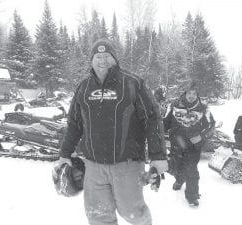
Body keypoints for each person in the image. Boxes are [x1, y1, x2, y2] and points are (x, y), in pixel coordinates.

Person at [54, 39, 168, 225]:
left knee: (133, 213)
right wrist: (65, 153)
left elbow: (152, 118)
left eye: (107, 56)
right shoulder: (83, 88)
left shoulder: (133, 83)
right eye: (98, 56)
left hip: (127, 165)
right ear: (92, 60)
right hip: (93, 166)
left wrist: (158, 156)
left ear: (115, 59)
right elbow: (74, 123)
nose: (102, 60)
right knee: (98, 215)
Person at [163, 80, 215, 207]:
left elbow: (211, 126)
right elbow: (165, 122)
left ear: (197, 94)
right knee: (176, 166)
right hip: (176, 143)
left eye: (194, 93)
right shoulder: (174, 105)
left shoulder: (204, 108)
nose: (191, 95)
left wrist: (201, 136)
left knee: (191, 169)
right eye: (189, 93)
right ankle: (180, 179)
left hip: (193, 145)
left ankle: (192, 196)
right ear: (184, 93)